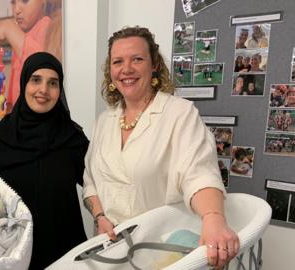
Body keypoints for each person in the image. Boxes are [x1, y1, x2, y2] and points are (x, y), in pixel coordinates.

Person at [82, 26, 239, 270]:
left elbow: (198, 174)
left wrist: (213, 218)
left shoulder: (179, 114)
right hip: (111, 252)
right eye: (118, 61)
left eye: (137, 59)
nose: (127, 69)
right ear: (110, 70)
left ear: (154, 64)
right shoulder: (104, 121)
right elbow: (90, 179)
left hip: (163, 252)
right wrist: (99, 216)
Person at [0, 52, 89, 269]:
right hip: (13, 252)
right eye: (36, 80)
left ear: (60, 90)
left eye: (53, 83)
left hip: (65, 251)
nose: (43, 90)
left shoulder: (73, 138)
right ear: (24, 83)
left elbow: (97, 184)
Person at [0, 0, 56, 113]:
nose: (16, 10)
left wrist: (9, 28)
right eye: (13, 2)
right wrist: (9, 104)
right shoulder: (22, 34)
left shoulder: (47, 26)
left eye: (24, 1)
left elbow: (39, 66)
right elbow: (16, 78)